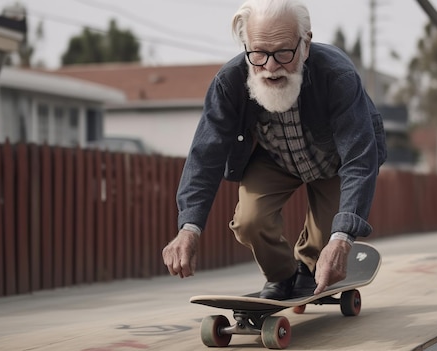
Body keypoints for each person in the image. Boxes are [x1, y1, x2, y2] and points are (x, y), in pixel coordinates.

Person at [162, 0, 386, 300]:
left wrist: (342, 238)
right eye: (258, 53)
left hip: (334, 159)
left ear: (305, 44)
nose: (270, 66)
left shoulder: (337, 75)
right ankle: (281, 276)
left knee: (331, 231)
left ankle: (309, 267)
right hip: (275, 158)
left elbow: (359, 157)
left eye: (283, 53)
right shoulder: (229, 83)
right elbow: (205, 155)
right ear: (247, 46)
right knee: (250, 221)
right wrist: (189, 227)